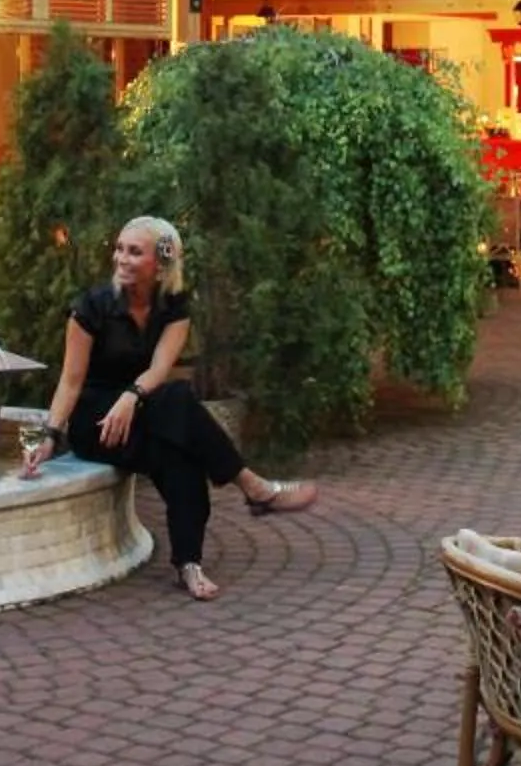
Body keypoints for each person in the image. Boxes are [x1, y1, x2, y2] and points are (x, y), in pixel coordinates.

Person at [20, 215, 314, 600]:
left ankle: (188, 563)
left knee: (180, 454)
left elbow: (160, 367)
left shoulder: (173, 306)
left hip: (140, 409)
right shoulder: (91, 308)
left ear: (160, 265)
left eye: (134, 252)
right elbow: (71, 381)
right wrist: (50, 435)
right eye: (120, 248)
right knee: (176, 400)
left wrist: (131, 397)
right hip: (98, 422)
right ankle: (252, 486)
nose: (121, 259)